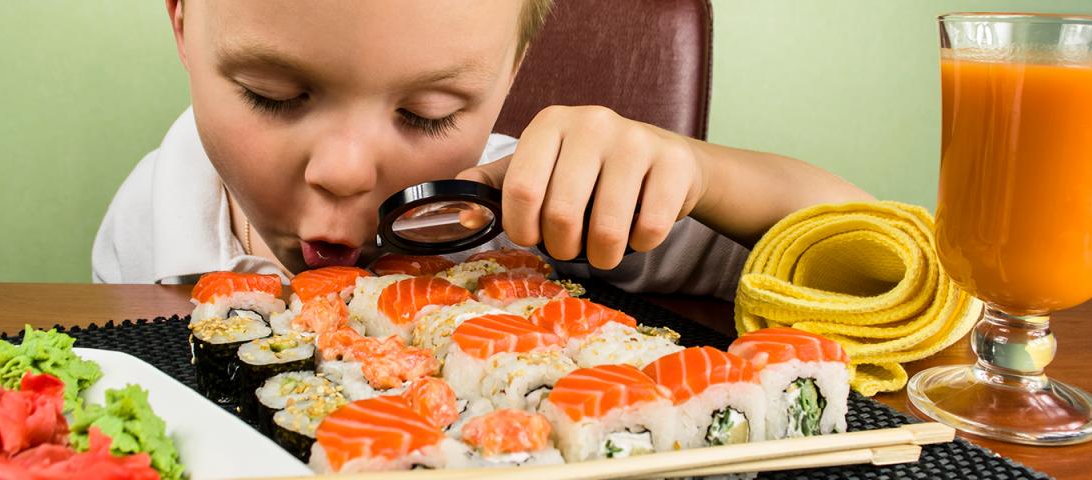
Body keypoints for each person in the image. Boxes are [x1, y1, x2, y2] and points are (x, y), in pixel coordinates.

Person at [93, 0, 872, 299]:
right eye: (272, 94)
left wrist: (699, 170)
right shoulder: (150, 215)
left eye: (428, 113)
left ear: (508, 77)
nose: (344, 171)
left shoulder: (530, 205)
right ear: (182, 22)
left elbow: (886, 260)